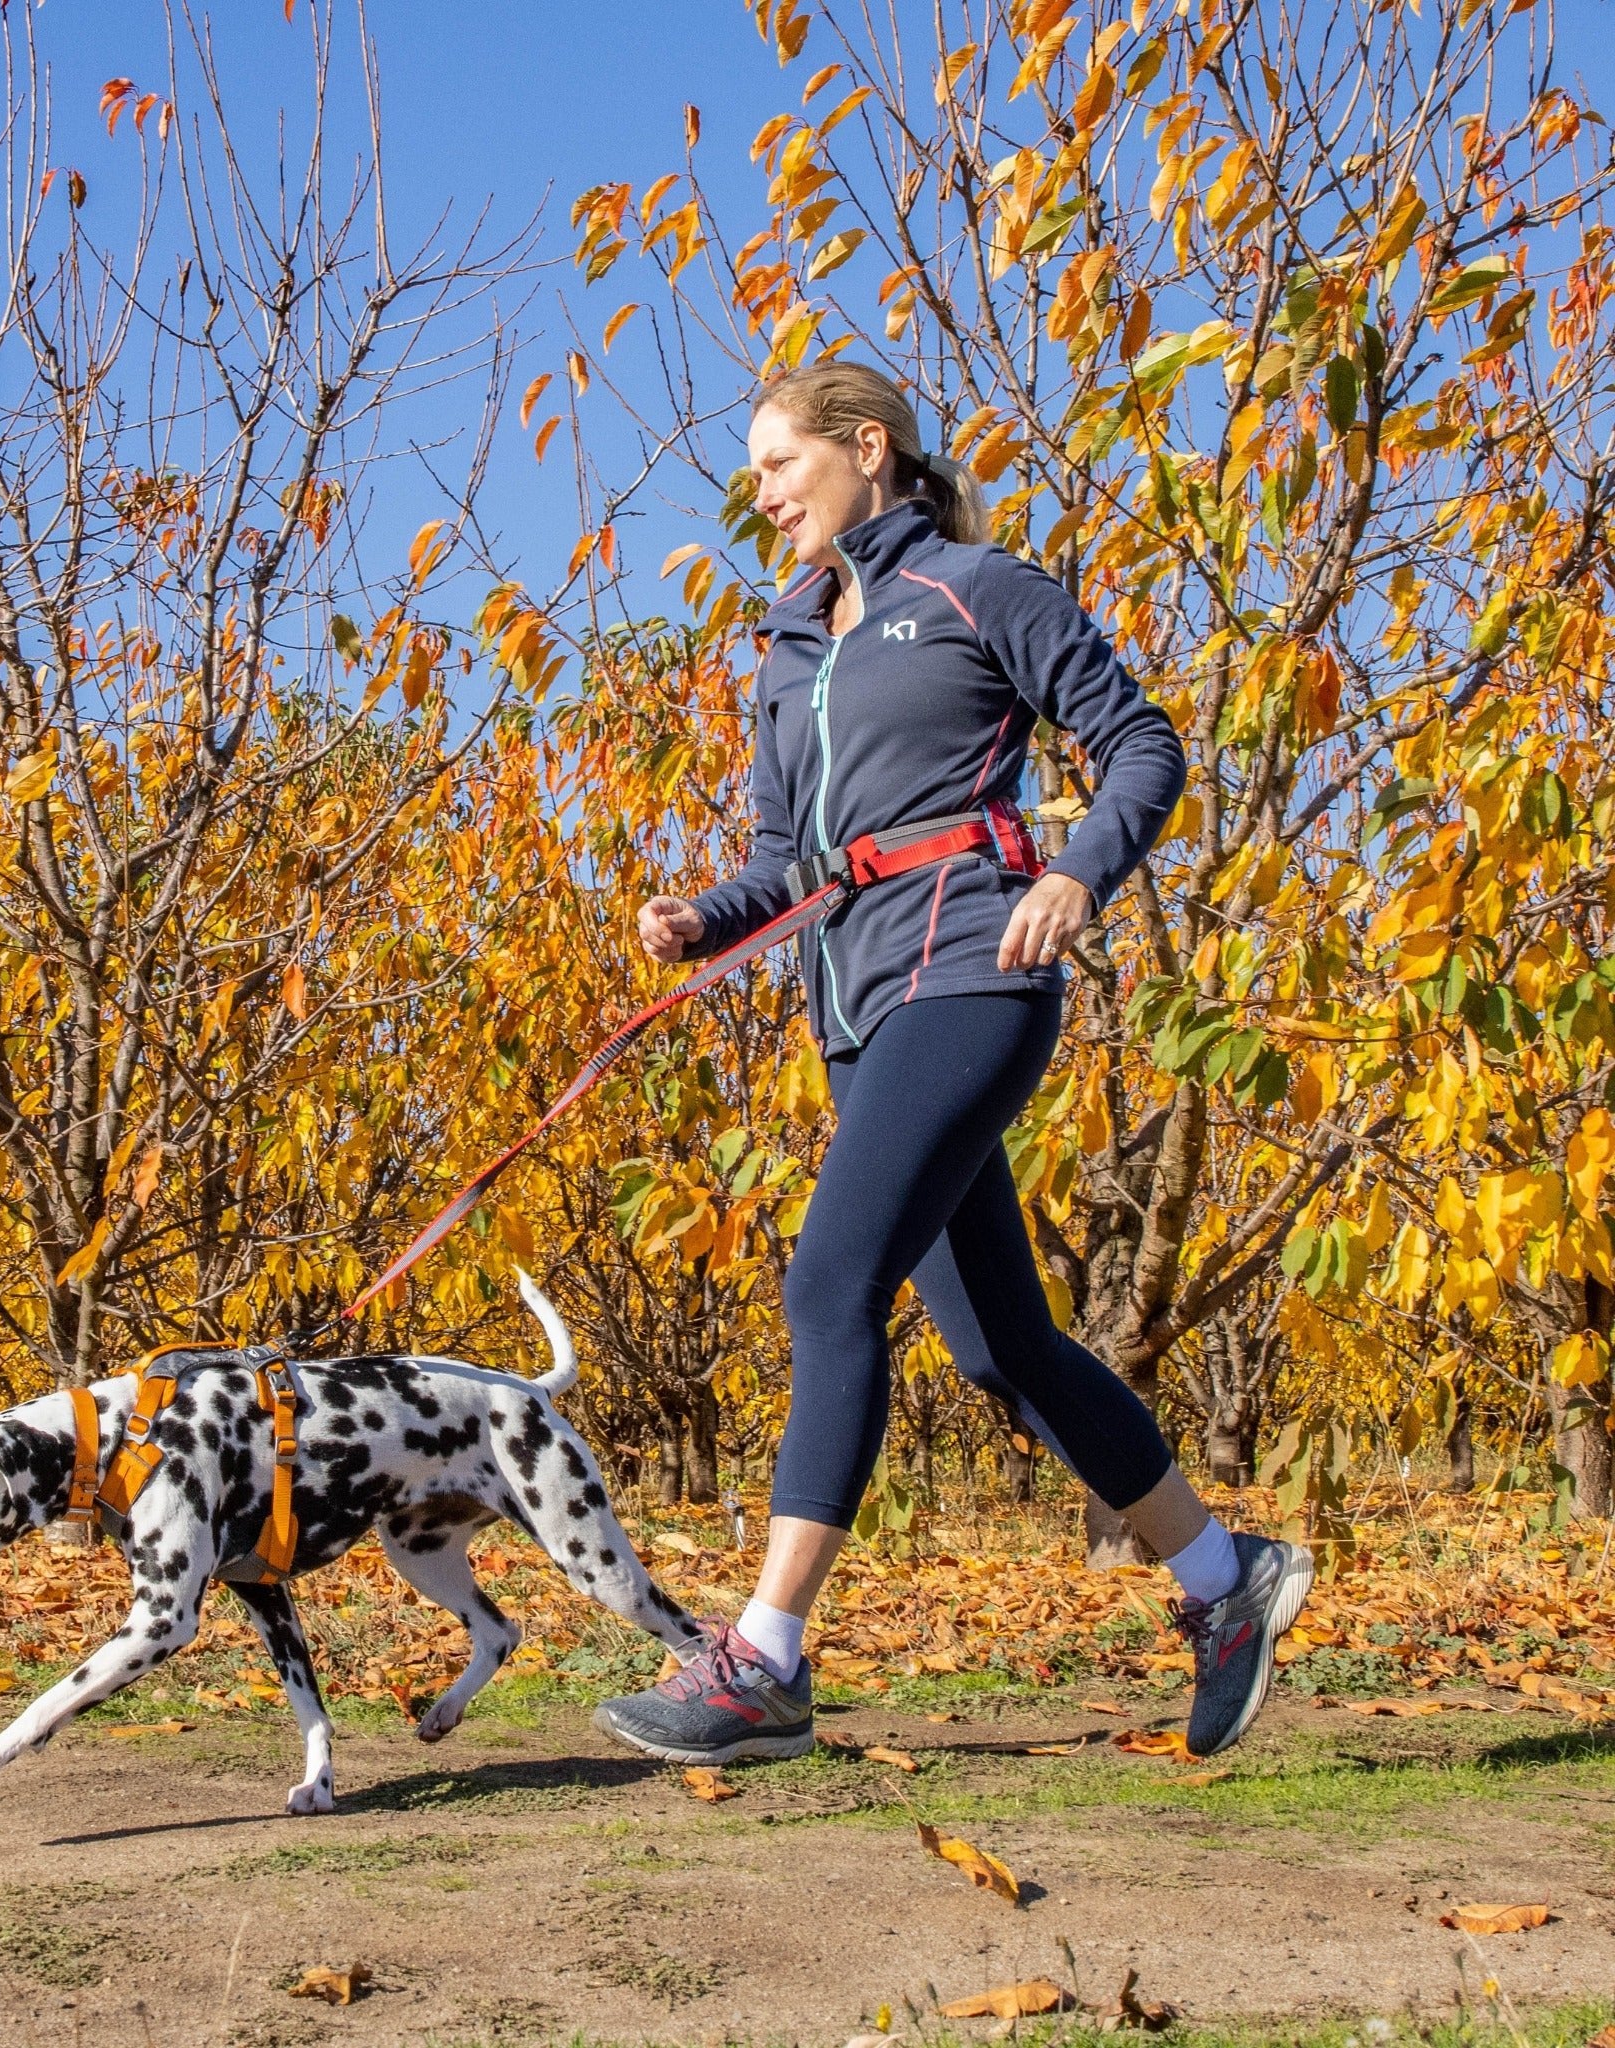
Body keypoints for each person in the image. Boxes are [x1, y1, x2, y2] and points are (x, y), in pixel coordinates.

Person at [593, 362, 1313, 1767]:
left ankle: (765, 1659)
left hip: (977, 965)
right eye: (754, 472)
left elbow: (1140, 744)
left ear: (868, 451)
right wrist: (701, 919)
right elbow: (784, 865)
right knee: (1001, 1348)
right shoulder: (793, 647)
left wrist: (1081, 876)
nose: (760, 491)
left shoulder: (980, 588)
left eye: (777, 462)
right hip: (859, 1009)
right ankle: (1230, 1584)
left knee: (829, 1280)